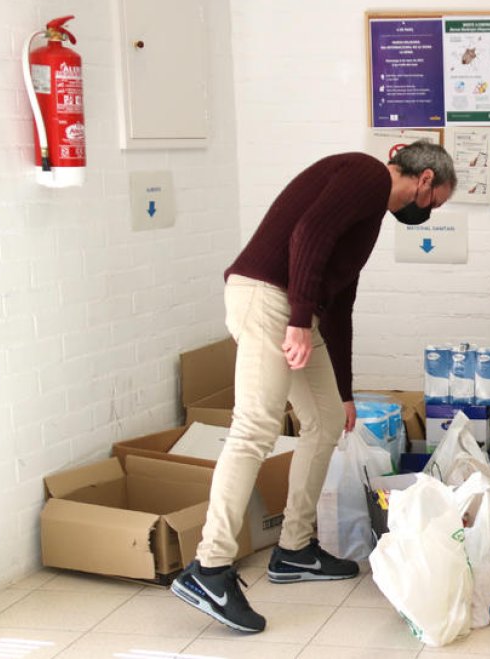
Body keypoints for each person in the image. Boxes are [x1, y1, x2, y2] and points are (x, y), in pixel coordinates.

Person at [172, 142, 456, 633]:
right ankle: (210, 568)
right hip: (267, 296)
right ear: (425, 180)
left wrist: (344, 392)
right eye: (436, 203)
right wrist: (299, 320)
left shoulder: (370, 216)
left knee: (325, 421)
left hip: (294, 306)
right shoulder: (368, 175)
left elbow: (341, 306)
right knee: (255, 428)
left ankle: (294, 550)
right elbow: (308, 234)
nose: (429, 214)